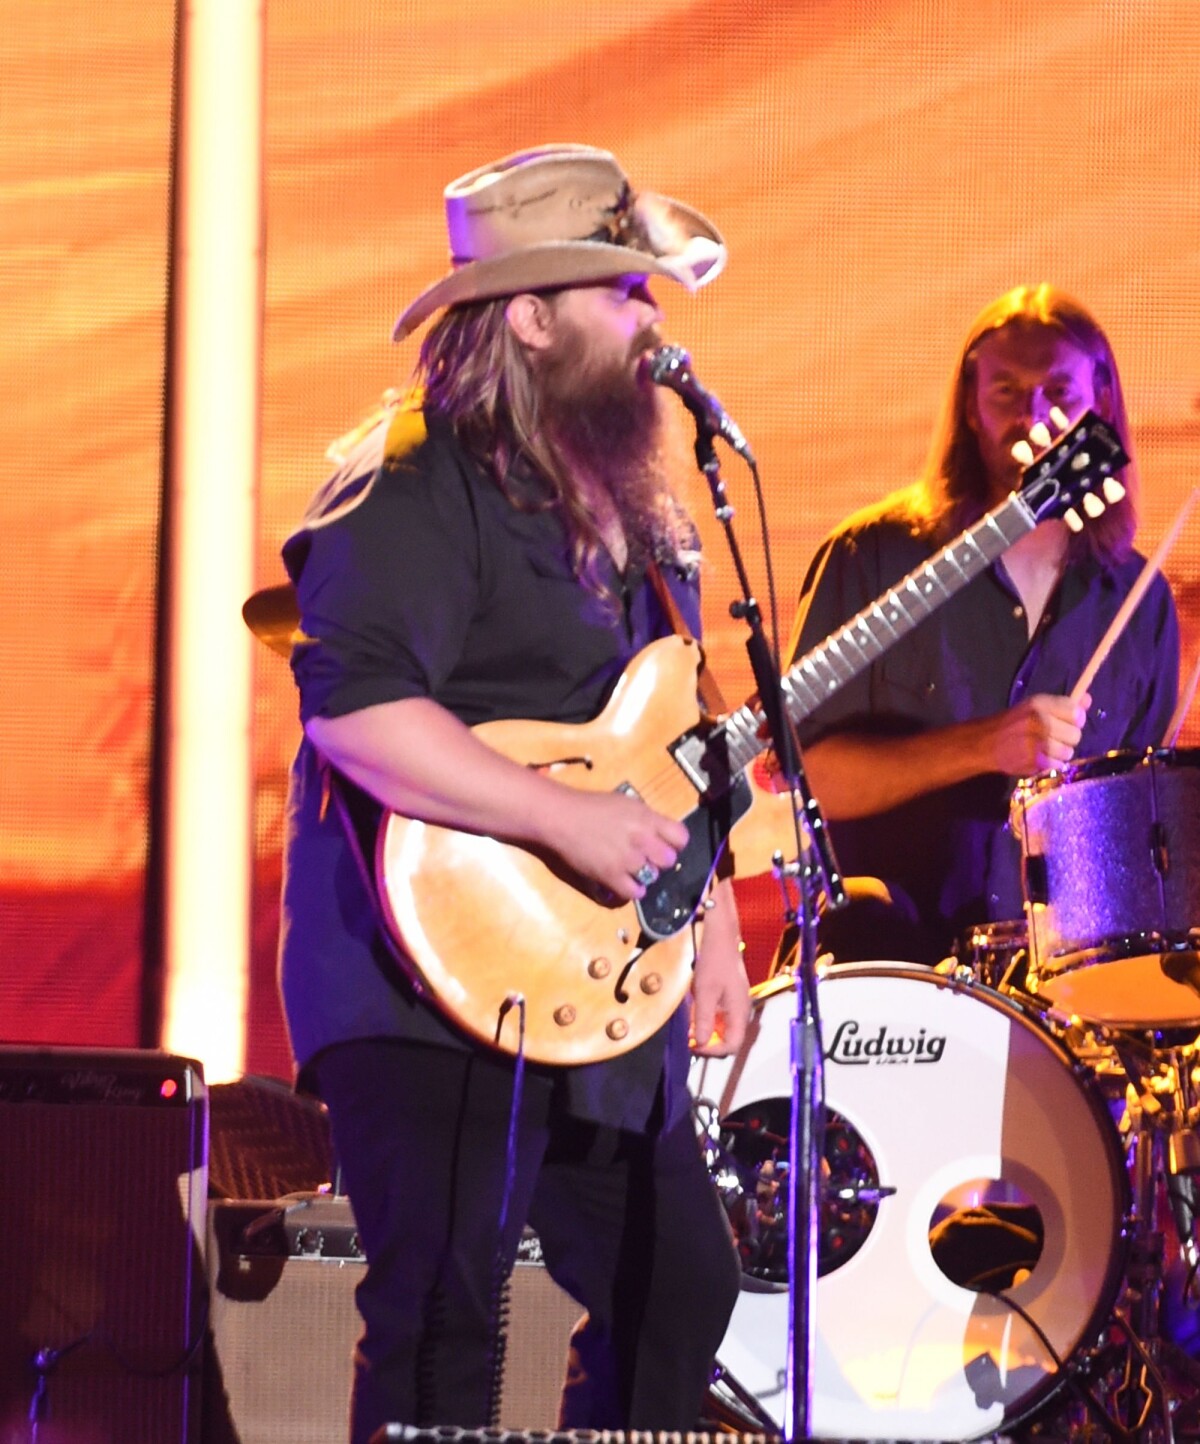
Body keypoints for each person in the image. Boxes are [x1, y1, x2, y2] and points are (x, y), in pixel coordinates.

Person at [273, 145, 749, 1444]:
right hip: (419, 980)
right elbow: (357, 708)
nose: (655, 322)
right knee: (444, 1323)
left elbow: (675, 747)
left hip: (590, 981)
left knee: (680, 1290)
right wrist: (562, 817)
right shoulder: (417, 478)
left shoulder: (647, 522)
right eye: (626, 294)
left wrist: (711, 922)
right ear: (531, 316)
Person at [785, 284, 1180, 968]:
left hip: (1061, 1006)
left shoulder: (1139, 601)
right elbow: (804, 777)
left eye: (1059, 389)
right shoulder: (872, 558)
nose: (1034, 414)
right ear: (969, 406)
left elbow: (1143, 837)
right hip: (886, 976)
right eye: (1006, 391)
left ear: (1102, 404)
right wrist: (983, 748)